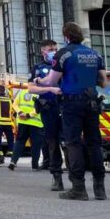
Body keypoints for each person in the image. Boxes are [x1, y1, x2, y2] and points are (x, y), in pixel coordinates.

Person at [30, 22, 107, 201]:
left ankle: (79, 188)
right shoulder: (95, 54)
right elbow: (104, 82)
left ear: (66, 36)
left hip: (72, 103)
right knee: (94, 143)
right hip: (92, 102)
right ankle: (99, 188)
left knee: (73, 143)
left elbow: (51, 81)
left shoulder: (63, 54)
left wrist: (39, 81)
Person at [30, 39, 65, 191]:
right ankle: (57, 177)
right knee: (52, 143)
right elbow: (31, 88)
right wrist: (49, 89)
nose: (54, 51)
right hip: (48, 108)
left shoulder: (63, 64)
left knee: (68, 142)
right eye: (51, 49)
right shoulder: (38, 68)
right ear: (43, 51)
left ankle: (75, 176)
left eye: (56, 49)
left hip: (65, 107)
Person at [8, 84, 43, 171]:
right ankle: (34, 165)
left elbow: (15, 104)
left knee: (19, 142)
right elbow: (39, 108)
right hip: (36, 123)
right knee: (36, 145)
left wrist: (20, 113)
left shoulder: (22, 92)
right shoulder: (40, 94)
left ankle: (13, 161)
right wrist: (28, 115)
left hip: (22, 122)